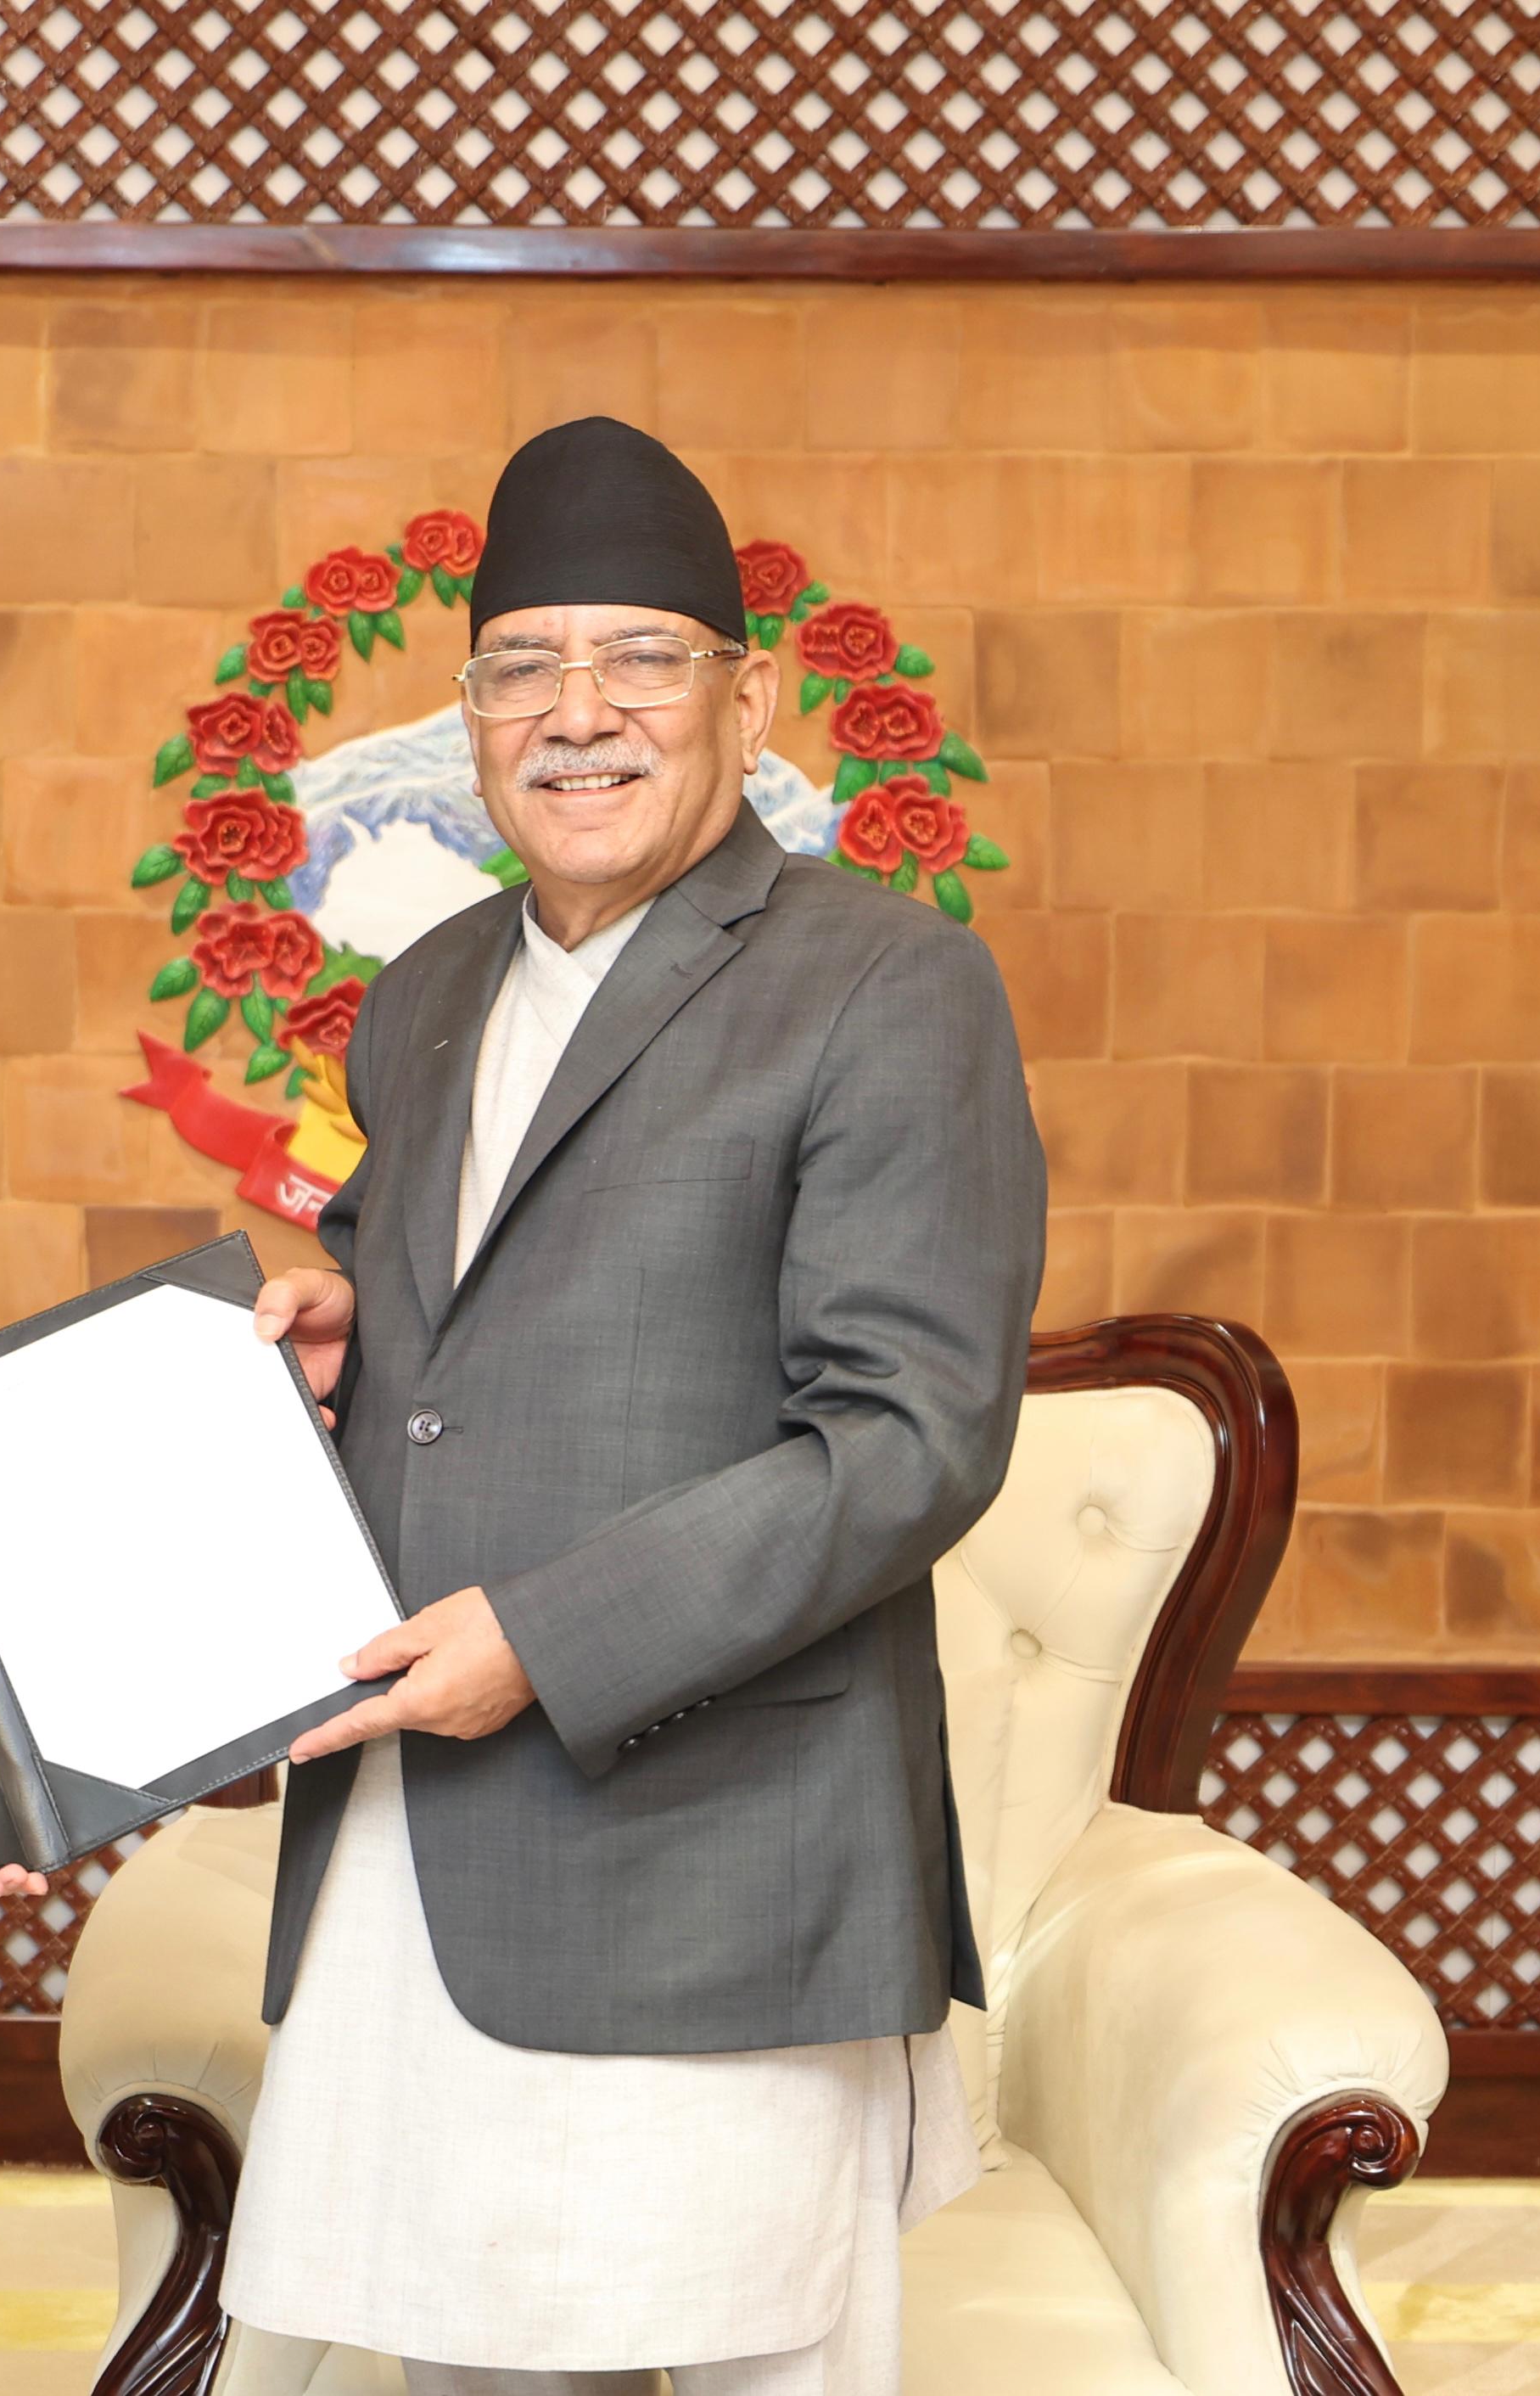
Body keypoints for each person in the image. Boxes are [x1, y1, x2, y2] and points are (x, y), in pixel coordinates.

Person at [227, 418, 1048, 2396]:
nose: (574, 715)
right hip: (427, 1853)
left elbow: (906, 1434)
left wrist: (544, 1637)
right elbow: (436, 1373)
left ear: (745, 701)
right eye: (520, 665)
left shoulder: (882, 983)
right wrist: (332, 1365)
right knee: (466, 2369)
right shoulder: (417, 987)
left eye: (639, 659)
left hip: (719, 1861)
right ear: (467, 710)